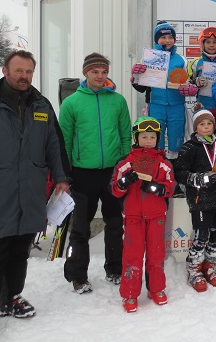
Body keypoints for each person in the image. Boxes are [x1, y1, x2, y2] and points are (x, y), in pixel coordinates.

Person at [0, 50, 70, 318]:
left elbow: (54, 144)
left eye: (28, 71)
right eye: (19, 71)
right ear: (5, 71)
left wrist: (61, 177)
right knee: (0, 245)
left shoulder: (41, 105)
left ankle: (13, 296)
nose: (24, 76)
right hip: (2, 187)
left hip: (31, 187)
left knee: (21, 247)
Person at [60, 53, 132, 294]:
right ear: (85, 73)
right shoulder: (71, 103)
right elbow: (65, 142)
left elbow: (125, 135)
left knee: (115, 224)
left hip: (112, 172)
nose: (100, 76)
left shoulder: (118, 101)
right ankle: (78, 276)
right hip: (83, 174)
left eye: (104, 72)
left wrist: (123, 164)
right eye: (95, 72)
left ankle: (114, 269)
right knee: (81, 228)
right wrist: (65, 173)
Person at [111, 117, 175, 313]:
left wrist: (156, 188)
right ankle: (130, 294)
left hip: (156, 217)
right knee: (133, 256)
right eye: (144, 137)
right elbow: (115, 189)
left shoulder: (163, 163)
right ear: (136, 138)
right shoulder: (126, 163)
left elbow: (171, 186)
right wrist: (124, 182)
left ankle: (156, 289)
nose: (148, 141)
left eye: (152, 137)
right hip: (133, 217)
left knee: (156, 254)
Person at [173, 109, 216, 291]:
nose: (206, 127)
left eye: (209, 124)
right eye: (202, 124)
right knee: (202, 236)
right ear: (195, 127)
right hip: (200, 200)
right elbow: (180, 174)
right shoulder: (189, 148)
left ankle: (209, 266)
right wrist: (201, 178)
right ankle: (194, 269)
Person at [131, 21, 197, 159]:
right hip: (156, 105)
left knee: (176, 139)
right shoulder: (148, 58)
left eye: (170, 37)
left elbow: (189, 80)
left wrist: (191, 88)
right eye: (163, 37)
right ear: (156, 39)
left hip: (176, 106)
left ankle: (175, 165)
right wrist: (135, 76)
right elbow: (141, 87)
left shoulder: (181, 60)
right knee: (155, 139)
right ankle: (157, 165)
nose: (167, 40)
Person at [187, 26, 216, 137]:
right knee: (203, 138)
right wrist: (195, 83)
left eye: (215, 42)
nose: (211, 45)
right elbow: (188, 83)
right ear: (202, 43)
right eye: (208, 42)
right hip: (203, 107)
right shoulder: (195, 63)